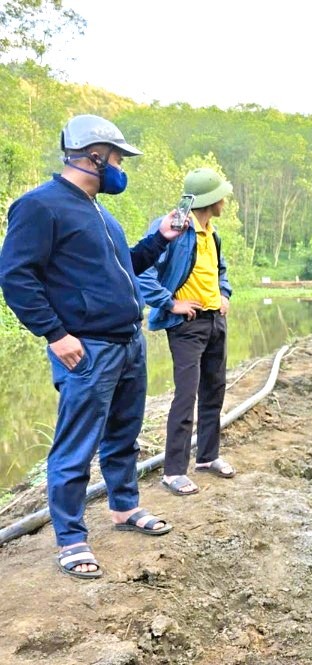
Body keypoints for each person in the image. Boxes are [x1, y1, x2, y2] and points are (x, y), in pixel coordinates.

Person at [0, 114, 188, 579]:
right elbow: (15, 276)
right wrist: (55, 335)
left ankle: (124, 509)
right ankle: (71, 538)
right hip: (87, 350)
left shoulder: (101, 212)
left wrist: (160, 240)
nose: (121, 168)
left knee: (123, 436)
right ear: (94, 156)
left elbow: (126, 267)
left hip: (128, 342)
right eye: (118, 158)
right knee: (75, 446)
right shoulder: (40, 207)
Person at [138, 168, 235, 497]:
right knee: (185, 395)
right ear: (210, 199)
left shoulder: (212, 232)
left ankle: (207, 458)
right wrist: (169, 303)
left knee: (214, 390)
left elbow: (219, 269)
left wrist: (224, 294)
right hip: (187, 324)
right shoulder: (175, 228)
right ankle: (174, 471)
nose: (225, 200)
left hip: (214, 320)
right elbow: (141, 271)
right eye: (221, 195)